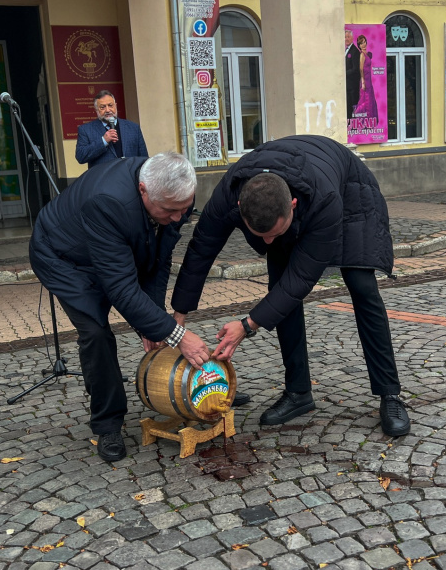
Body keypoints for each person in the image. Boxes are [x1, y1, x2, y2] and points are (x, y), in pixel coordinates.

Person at [171, 135, 411, 438]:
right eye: (261, 235)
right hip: (295, 183)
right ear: (240, 206)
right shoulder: (228, 193)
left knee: (361, 285)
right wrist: (178, 314)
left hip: (350, 193)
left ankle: (389, 394)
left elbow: (301, 280)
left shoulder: (325, 201)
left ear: (293, 206)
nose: (268, 243)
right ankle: (298, 393)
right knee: (278, 287)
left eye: (275, 233)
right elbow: (201, 250)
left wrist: (248, 324)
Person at [29, 152, 210, 464]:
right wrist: (177, 334)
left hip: (114, 248)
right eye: (170, 211)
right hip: (65, 259)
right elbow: (121, 289)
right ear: (143, 190)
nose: (179, 218)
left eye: (185, 209)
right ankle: (107, 424)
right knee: (96, 333)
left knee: (150, 318)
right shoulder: (107, 202)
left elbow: (159, 259)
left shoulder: (170, 193)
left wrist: (151, 322)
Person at [75, 90, 148, 169]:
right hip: (104, 179)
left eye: (110, 105)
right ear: (96, 110)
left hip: (129, 178)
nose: (107, 110)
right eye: (102, 107)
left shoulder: (133, 128)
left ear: (115, 106)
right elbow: (80, 156)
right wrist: (103, 141)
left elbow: (144, 158)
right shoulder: (86, 130)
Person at [353, 35, 379, 122]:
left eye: (364, 42)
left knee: (370, 99)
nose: (363, 44)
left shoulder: (367, 54)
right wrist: (363, 81)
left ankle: (369, 120)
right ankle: (360, 118)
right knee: (365, 100)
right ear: (359, 46)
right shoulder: (362, 55)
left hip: (369, 80)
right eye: (361, 43)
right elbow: (361, 68)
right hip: (365, 80)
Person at [345, 30, 361, 120]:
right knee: (347, 107)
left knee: (352, 106)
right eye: (345, 37)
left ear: (352, 38)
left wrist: (344, 73)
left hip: (352, 86)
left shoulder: (355, 51)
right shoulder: (346, 50)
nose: (346, 39)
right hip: (347, 86)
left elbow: (355, 69)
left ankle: (352, 125)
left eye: (348, 37)